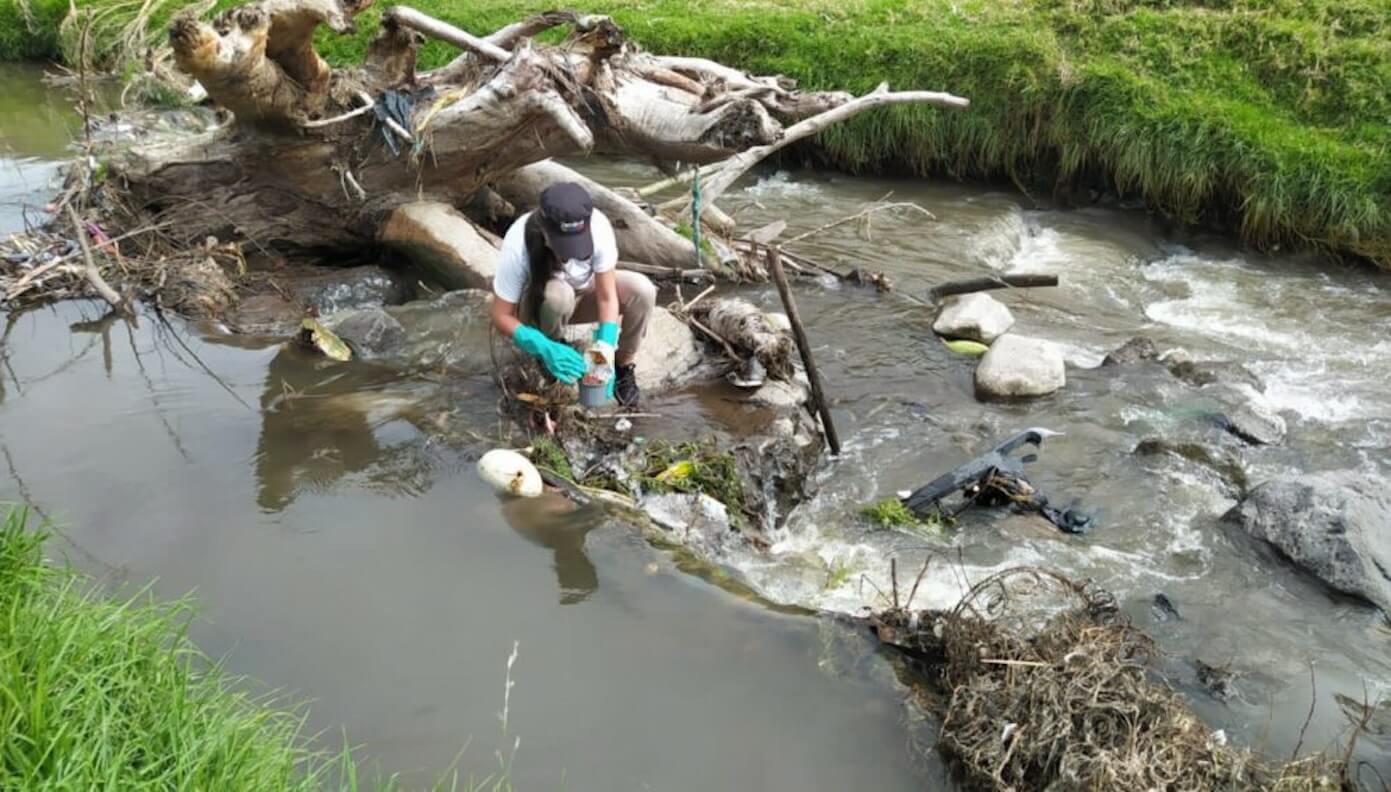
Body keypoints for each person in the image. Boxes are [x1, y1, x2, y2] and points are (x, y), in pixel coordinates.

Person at [489, 182, 656, 407]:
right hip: (541, 304)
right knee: (558, 295)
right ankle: (553, 349)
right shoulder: (518, 243)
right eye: (564, 246)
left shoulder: (599, 227)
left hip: (582, 295)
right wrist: (541, 345)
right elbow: (501, 315)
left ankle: (623, 367)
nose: (571, 254)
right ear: (544, 231)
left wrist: (605, 345)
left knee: (642, 289)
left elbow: (607, 297)